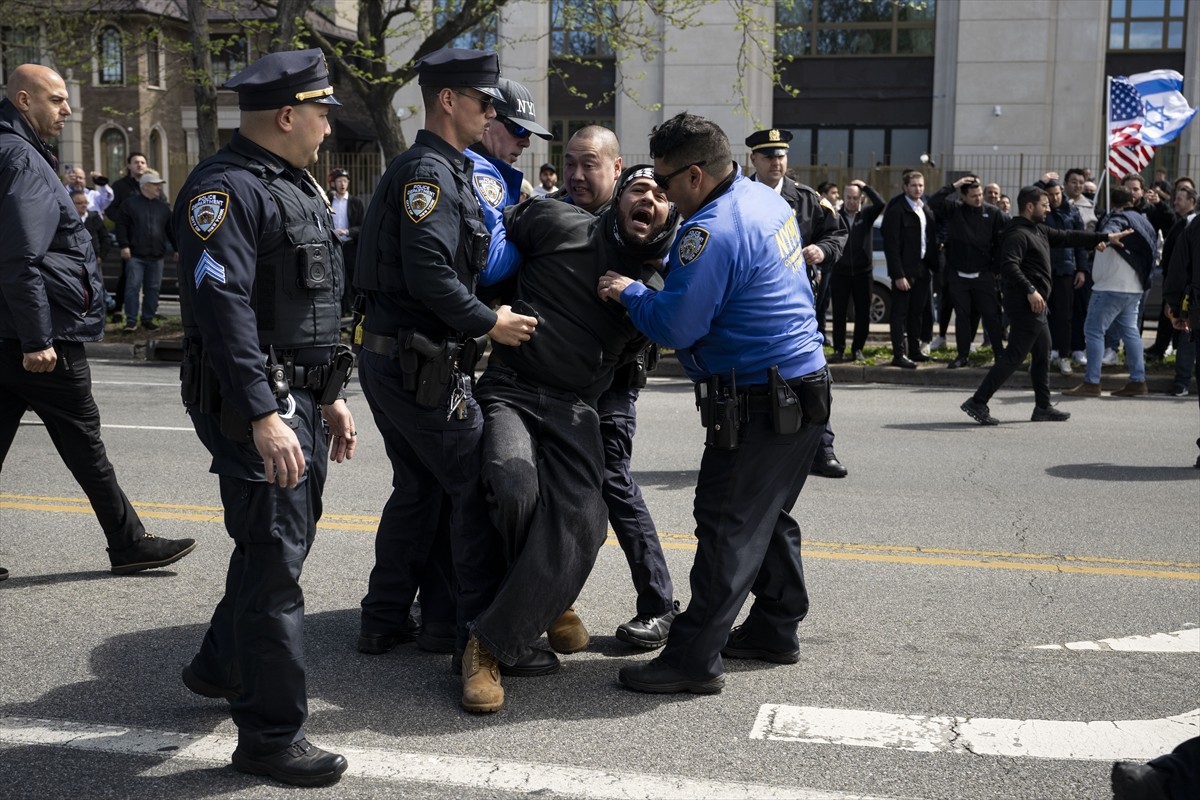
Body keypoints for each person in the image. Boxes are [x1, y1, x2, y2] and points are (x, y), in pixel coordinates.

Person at [173, 49, 356, 788]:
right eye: (321, 112)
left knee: (279, 545)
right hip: (260, 403)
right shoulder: (225, 191)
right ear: (287, 115)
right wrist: (262, 413)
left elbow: (308, 306)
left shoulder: (292, 186)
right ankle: (271, 737)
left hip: (298, 397)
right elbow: (224, 314)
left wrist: (331, 393)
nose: (327, 126)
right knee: (277, 564)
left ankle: (219, 665)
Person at [602, 112, 829, 695]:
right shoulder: (763, 200)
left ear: (696, 176)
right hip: (801, 389)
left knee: (727, 523)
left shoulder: (712, 230)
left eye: (668, 179)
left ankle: (692, 658)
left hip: (760, 396)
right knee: (764, 515)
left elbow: (676, 325)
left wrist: (629, 291)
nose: (662, 190)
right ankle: (776, 629)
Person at [352, 48, 537, 714]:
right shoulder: (428, 172)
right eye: (485, 101)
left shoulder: (446, 169)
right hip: (417, 361)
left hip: (404, 357)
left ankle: (386, 617)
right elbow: (431, 272)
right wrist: (491, 323)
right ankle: (470, 634)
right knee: (476, 484)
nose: (492, 113)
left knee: (421, 485)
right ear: (449, 101)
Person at [468, 165, 678, 711]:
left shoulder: (650, 293)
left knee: (587, 516)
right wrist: (485, 313)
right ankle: (499, 641)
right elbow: (481, 242)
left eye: (662, 196)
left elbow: (676, 337)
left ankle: (509, 624)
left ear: (670, 217)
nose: (650, 199)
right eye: (640, 189)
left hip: (576, 409)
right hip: (511, 387)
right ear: (619, 197)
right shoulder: (555, 220)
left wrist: (634, 296)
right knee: (514, 484)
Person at [0, 64, 196, 579]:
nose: (66, 110)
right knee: (85, 441)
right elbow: (21, 255)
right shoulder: (22, 157)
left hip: (10, 328)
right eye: (57, 100)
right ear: (25, 100)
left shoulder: (14, 150)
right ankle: (129, 542)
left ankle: (128, 540)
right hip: (42, 336)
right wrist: (37, 337)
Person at [544, 127, 679, 650]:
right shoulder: (555, 215)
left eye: (590, 166)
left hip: (612, 386)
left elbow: (670, 303)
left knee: (611, 484)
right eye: (570, 164)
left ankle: (659, 604)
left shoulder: (657, 235)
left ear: (616, 169)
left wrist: (635, 291)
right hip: (551, 380)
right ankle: (546, 602)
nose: (578, 176)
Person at [960, 186, 1127, 425]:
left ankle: (1043, 407)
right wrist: (1030, 290)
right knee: (1014, 355)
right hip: (1025, 303)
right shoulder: (1017, 233)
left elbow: (1069, 236)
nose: (1049, 208)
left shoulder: (1038, 229)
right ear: (1030, 207)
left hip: (1037, 304)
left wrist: (1104, 238)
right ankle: (978, 401)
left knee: (1042, 353)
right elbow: (1009, 266)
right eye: (1044, 205)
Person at [744, 128, 847, 478]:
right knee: (753, 378)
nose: (777, 162)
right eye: (769, 156)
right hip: (751, 304)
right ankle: (756, 447)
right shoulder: (739, 196)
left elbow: (837, 233)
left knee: (811, 374)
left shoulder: (806, 198)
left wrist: (823, 250)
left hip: (797, 305)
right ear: (753, 160)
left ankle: (823, 449)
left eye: (782, 155)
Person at [1063, 186, 1156, 398]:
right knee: (1131, 333)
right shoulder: (1144, 220)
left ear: (1113, 203)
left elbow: (1115, 226)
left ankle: (1091, 382)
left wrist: (1104, 237)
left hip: (1110, 286)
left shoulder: (1119, 217)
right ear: (1132, 199)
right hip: (1134, 287)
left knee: (1094, 331)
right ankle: (1138, 381)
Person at [928, 175, 1006, 369]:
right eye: (973, 196)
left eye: (980, 195)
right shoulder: (954, 210)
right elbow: (934, 201)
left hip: (984, 275)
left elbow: (1005, 237)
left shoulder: (993, 213)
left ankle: (1000, 355)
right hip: (958, 275)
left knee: (991, 315)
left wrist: (996, 268)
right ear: (963, 197)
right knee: (962, 317)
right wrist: (954, 186)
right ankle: (963, 355)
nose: (978, 199)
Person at [882, 169, 938, 368]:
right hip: (904, 271)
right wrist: (898, 274)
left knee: (917, 312)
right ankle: (899, 354)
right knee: (899, 314)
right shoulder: (897, 210)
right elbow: (891, 245)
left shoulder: (925, 208)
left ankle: (914, 351)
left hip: (923, 269)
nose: (918, 189)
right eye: (914, 185)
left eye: (921, 185)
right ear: (905, 187)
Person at [829, 179, 885, 363]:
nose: (852, 201)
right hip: (840, 272)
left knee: (862, 312)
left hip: (863, 272)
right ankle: (839, 349)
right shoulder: (836, 215)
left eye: (856, 198)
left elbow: (881, 203)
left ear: (861, 199)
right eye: (849, 197)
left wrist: (866, 186)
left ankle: (858, 349)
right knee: (839, 313)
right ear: (844, 198)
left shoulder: (867, 215)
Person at [113, 170, 174, 333]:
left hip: (157, 256)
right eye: (156, 185)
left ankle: (148, 319)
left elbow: (170, 230)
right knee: (132, 287)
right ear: (145, 186)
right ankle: (131, 321)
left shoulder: (163, 208)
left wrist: (177, 248)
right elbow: (121, 226)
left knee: (153, 288)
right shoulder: (129, 204)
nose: (159, 189)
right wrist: (124, 245)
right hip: (135, 255)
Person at [105, 151, 150, 325]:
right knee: (127, 276)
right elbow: (110, 209)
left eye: (143, 162)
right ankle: (118, 309)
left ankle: (147, 314)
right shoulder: (120, 186)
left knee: (148, 280)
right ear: (129, 166)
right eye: (136, 162)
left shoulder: (150, 184)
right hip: (129, 239)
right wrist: (124, 220)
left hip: (148, 238)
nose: (140, 165)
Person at [327, 167, 364, 315]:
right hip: (334, 245)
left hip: (350, 246)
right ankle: (341, 313)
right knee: (337, 280)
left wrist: (347, 231)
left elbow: (362, 226)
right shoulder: (328, 201)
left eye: (345, 181)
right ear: (333, 183)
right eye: (339, 181)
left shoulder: (356, 202)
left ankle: (356, 315)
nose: (342, 184)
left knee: (353, 279)